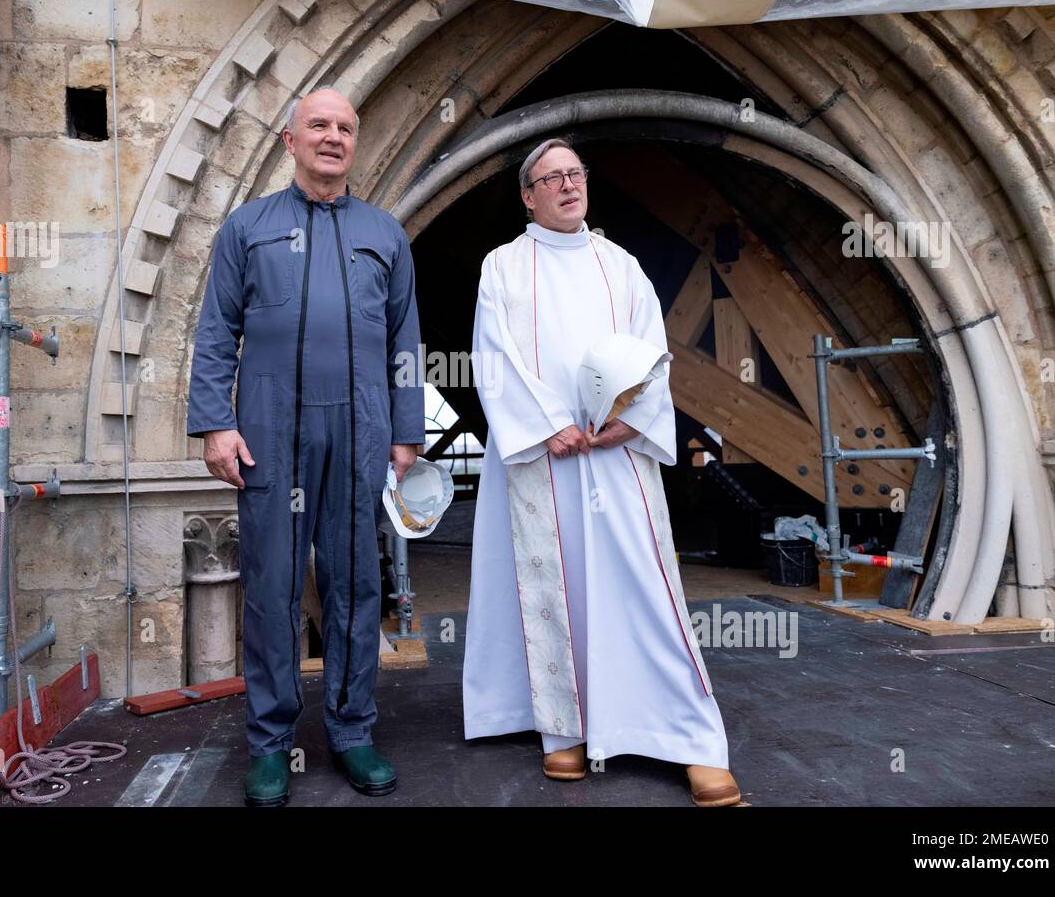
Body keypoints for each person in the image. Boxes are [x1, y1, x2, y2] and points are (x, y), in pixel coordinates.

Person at [461, 137, 741, 806]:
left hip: (617, 457)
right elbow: (492, 357)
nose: (566, 185)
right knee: (551, 588)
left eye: (574, 174)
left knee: (644, 588)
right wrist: (546, 423)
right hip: (543, 460)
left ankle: (689, 735)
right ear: (528, 196)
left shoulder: (621, 266)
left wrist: (632, 420)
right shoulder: (501, 267)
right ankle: (563, 725)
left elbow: (654, 355)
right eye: (550, 178)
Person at [187, 87, 424, 806]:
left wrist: (406, 430)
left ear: (355, 144)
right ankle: (269, 742)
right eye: (318, 125)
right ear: (290, 141)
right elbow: (214, 331)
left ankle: (352, 731)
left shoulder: (384, 234)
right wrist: (213, 422)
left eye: (345, 128)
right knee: (271, 588)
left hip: (358, 437)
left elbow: (404, 340)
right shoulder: (248, 229)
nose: (333, 137)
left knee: (356, 586)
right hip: (270, 438)